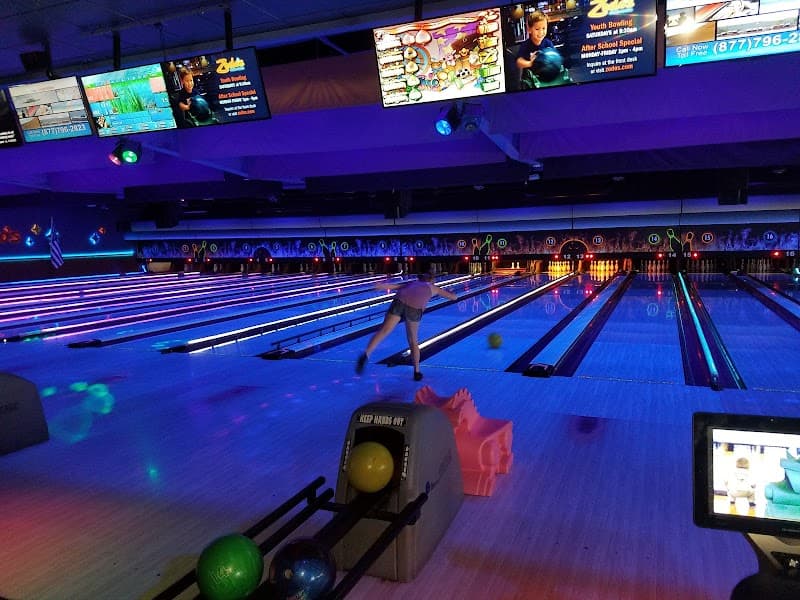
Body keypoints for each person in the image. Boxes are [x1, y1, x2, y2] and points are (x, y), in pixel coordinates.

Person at [356, 272, 458, 381]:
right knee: (413, 341)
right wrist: (451, 291)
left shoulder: (413, 283)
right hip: (414, 309)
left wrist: (381, 286)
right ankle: (417, 372)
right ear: (432, 280)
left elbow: (395, 287)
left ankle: (366, 354)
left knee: (383, 331)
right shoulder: (434, 288)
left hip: (399, 302)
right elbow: (454, 298)